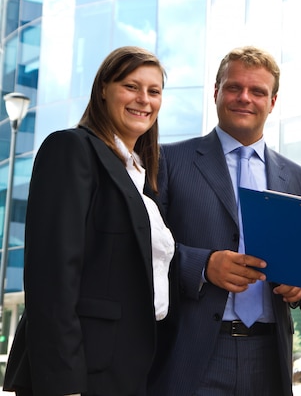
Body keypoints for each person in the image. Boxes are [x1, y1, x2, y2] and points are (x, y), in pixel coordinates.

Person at [3, 46, 175, 395]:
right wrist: (64, 385)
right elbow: (52, 278)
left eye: (153, 91)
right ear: (103, 89)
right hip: (82, 374)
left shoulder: (142, 176)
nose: (144, 99)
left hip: (128, 371)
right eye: (131, 86)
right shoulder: (71, 149)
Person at [149, 45, 301, 396]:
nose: (244, 98)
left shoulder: (297, 177)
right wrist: (204, 265)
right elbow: (144, 250)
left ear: (272, 102)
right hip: (192, 355)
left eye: (258, 91)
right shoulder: (168, 161)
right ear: (216, 92)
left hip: (270, 356)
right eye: (234, 87)